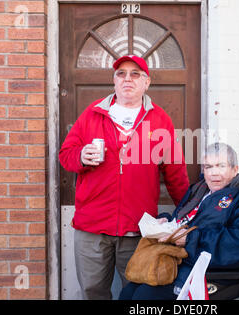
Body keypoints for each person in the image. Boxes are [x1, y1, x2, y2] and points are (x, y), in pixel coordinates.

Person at [59, 55, 190, 300]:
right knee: (92, 292)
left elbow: (175, 173)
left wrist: (187, 215)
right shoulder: (93, 114)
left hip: (137, 227)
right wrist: (80, 157)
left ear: (146, 82)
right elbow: (66, 155)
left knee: (135, 292)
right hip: (92, 227)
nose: (127, 79)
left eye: (135, 74)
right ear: (114, 81)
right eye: (121, 73)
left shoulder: (159, 119)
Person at [119, 142, 239, 300]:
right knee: (129, 292)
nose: (214, 173)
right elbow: (187, 220)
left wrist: (190, 239)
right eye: (208, 167)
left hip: (212, 273)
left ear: (235, 169)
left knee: (144, 297)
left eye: (221, 166)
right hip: (179, 263)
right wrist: (167, 221)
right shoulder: (198, 190)